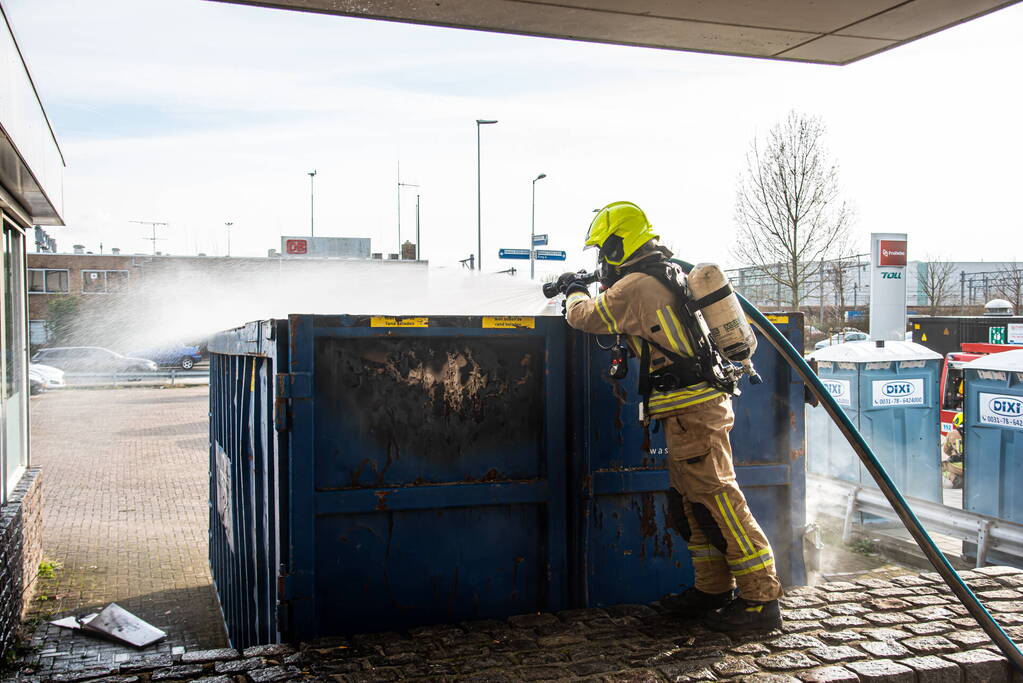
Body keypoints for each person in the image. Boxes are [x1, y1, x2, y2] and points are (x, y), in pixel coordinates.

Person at [555, 201, 783, 632]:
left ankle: (760, 598)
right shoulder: (664, 275)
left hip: (693, 411)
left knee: (719, 500)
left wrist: (573, 289)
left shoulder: (638, 284)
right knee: (692, 504)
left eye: (604, 249)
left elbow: (584, 317)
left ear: (621, 243)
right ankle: (712, 589)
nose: (602, 260)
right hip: (687, 412)